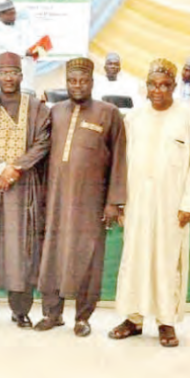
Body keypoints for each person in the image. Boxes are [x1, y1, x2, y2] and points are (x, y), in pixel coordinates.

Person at [110, 58, 190, 347]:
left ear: (174, 87)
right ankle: (134, 318)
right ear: (146, 87)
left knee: (167, 262)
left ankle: (166, 322)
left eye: (165, 85)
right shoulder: (134, 118)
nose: (158, 90)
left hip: (172, 204)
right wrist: (119, 202)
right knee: (135, 258)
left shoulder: (189, 118)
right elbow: (120, 163)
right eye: (153, 85)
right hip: (137, 202)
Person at [36, 57, 127, 337]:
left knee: (88, 255)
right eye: (72, 81)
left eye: (83, 81)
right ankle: (52, 313)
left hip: (91, 200)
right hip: (56, 199)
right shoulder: (55, 112)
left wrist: (114, 201)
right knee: (52, 254)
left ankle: (83, 317)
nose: (77, 86)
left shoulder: (108, 113)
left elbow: (120, 160)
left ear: (92, 82)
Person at [0, 52, 50, 328]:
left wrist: (15, 169)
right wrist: (0, 166)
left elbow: (42, 143)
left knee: (21, 249)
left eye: (13, 72)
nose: (8, 78)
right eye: (3, 73)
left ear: (21, 75)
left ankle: (20, 310)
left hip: (24, 189)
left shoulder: (37, 108)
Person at [0, 0, 37, 96]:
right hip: (0, 83)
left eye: (14, 13)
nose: (13, 16)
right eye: (10, 13)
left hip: (22, 81)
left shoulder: (20, 28)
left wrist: (36, 51)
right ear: (0, 15)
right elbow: (3, 54)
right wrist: (25, 52)